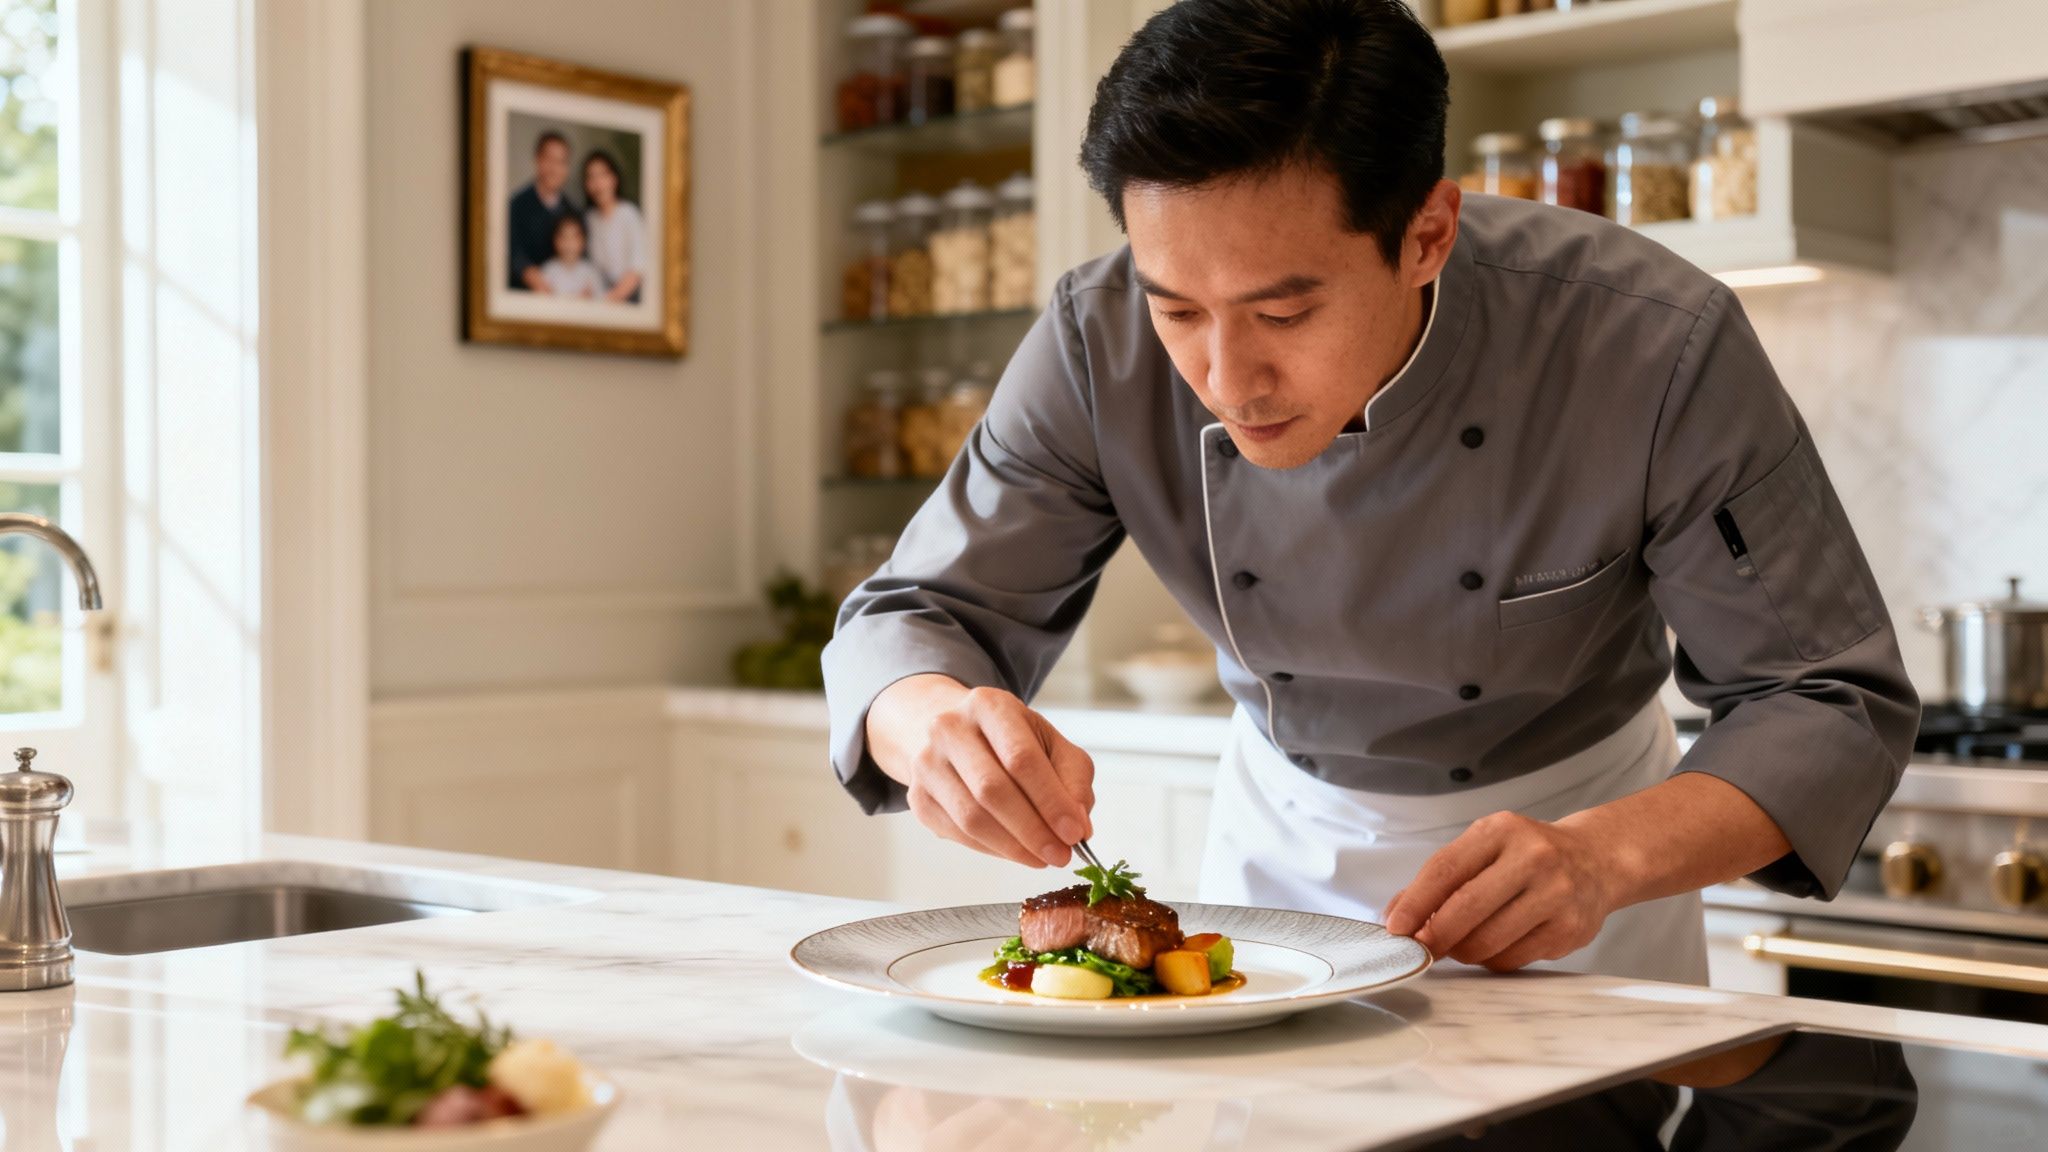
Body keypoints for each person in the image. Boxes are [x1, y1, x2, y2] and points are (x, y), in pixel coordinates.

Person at [820, 0, 1919, 985]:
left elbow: (1822, 698)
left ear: (1426, 234)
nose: (1224, 378)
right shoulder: (1091, 340)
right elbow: (913, 619)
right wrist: (937, 727)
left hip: (1578, 865)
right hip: (1276, 856)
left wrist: (1602, 855)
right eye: (1177, 310)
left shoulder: (1649, 343)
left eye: (1284, 314)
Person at [508, 130, 579, 292]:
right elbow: (511, 251)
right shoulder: (516, 205)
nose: (555, 169)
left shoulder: (573, 212)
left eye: (562, 162)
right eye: (549, 160)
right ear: (537, 160)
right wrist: (528, 273)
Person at [580, 150, 646, 303]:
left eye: (603, 175)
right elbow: (590, 269)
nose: (598, 184)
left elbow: (638, 268)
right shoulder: (589, 219)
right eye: (591, 177)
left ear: (614, 179)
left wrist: (609, 300)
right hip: (603, 295)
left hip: (632, 296)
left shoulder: (629, 214)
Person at [537, 213, 603, 299]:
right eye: (564, 237)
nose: (569, 243)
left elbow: (602, 303)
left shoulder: (591, 273)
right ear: (555, 241)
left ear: (583, 241)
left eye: (574, 237)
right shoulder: (547, 271)